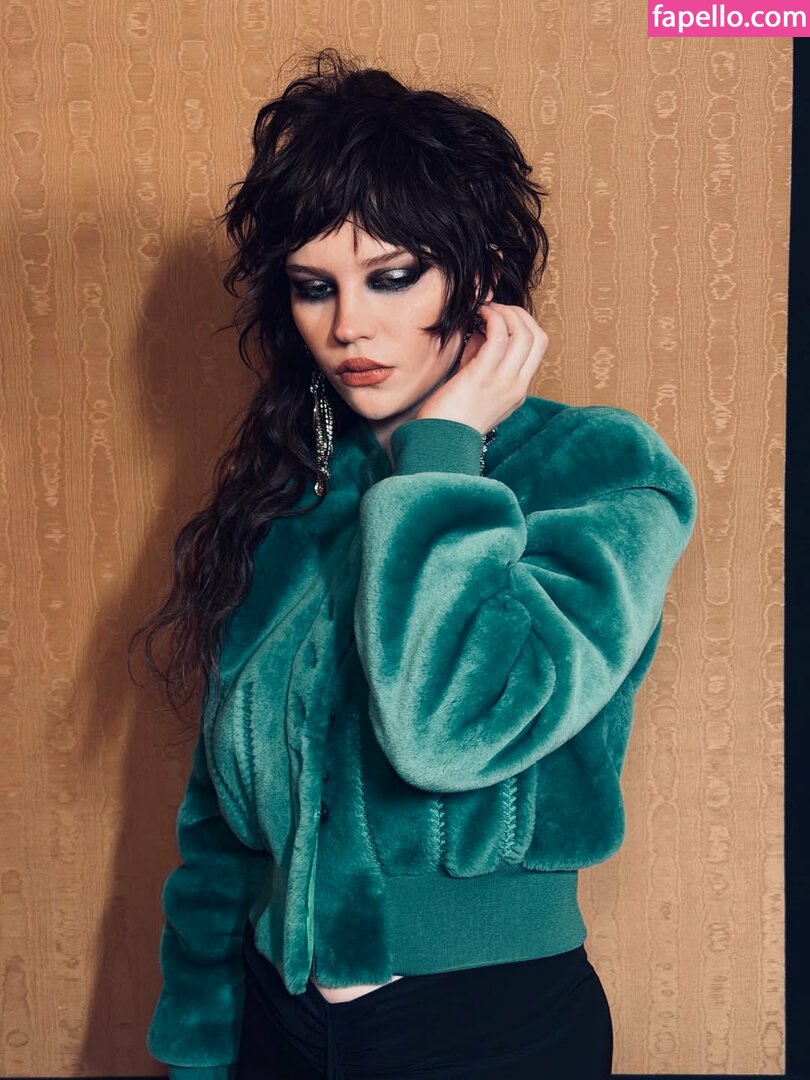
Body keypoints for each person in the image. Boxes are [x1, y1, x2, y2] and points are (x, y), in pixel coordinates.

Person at [135, 47, 697, 1079]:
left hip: (485, 1030)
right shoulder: (291, 503)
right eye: (314, 288)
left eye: (392, 276)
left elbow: (449, 731)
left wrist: (442, 454)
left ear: (479, 273)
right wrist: (199, 1054)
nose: (349, 326)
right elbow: (220, 830)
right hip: (274, 1020)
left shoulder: (597, 474)